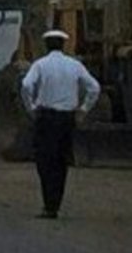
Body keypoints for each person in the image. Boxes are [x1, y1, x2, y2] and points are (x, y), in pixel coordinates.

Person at [20, 29, 101, 219]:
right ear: (63, 44)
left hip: (46, 118)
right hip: (67, 119)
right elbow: (94, 88)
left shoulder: (40, 65)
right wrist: (83, 109)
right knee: (61, 162)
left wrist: (30, 107)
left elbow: (26, 85)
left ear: (46, 45)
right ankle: (55, 203)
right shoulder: (75, 65)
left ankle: (48, 203)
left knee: (45, 161)